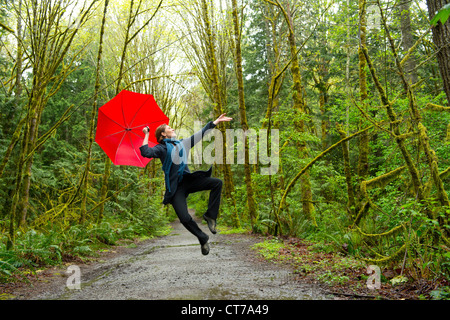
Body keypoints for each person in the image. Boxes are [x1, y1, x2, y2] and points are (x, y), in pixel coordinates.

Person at [140, 114, 232, 255]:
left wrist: (215, 122)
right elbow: (145, 152)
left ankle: (210, 216)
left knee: (217, 183)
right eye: (169, 128)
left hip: (189, 180)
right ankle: (202, 237)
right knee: (184, 218)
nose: (173, 128)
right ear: (163, 134)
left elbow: (199, 135)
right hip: (177, 188)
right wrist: (146, 134)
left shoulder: (183, 144)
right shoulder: (161, 149)